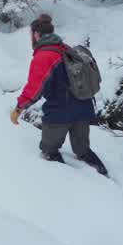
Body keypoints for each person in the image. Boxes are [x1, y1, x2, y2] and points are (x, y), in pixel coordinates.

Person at [9, 14, 108, 176]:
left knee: (49, 150)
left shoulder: (43, 56)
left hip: (59, 112)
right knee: (82, 150)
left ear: (36, 35)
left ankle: (66, 183)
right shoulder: (65, 48)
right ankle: (104, 176)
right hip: (84, 106)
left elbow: (34, 88)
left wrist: (19, 108)